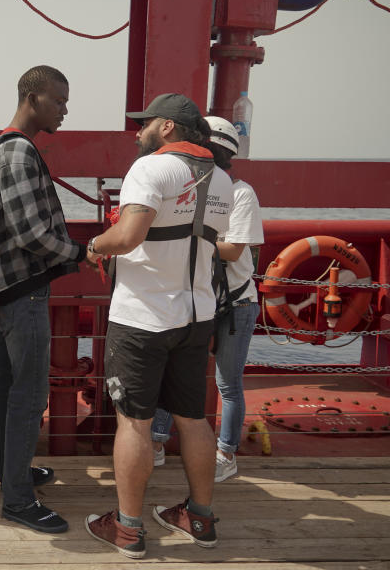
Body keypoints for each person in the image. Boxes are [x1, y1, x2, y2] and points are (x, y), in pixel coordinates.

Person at [83, 93, 232, 558]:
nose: (138, 130)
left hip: (143, 317)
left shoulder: (150, 169)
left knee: (134, 422)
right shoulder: (224, 180)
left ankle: (127, 528)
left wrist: (95, 244)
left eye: (146, 122)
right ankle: (199, 517)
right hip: (196, 315)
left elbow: (128, 237)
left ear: (167, 127)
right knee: (193, 418)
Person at [0, 65, 99, 534]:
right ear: (34, 98)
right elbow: (32, 233)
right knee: (30, 393)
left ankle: (11, 473)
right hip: (23, 289)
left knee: (8, 386)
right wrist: (85, 250)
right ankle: (18, 500)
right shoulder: (19, 154)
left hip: (5, 290)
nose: (65, 110)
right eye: (59, 101)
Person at [150, 116, 263, 482]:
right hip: (201, 295)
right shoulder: (197, 187)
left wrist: (186, 237)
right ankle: (156, 442)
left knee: (227, 382)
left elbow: (233, 251)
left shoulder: (241, 193)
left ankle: (225, 454)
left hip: (234, 301)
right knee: (176, 372)